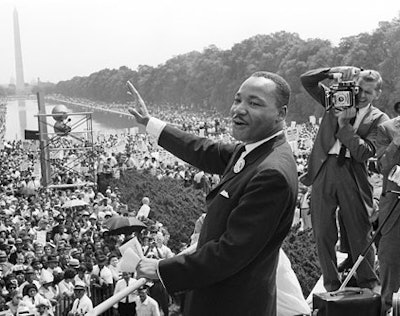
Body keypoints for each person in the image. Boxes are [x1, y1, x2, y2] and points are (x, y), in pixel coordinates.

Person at [128, 70, 298, 316]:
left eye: (254, 103)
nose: (239, 109)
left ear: (281, 114)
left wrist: (162, 269)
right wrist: (150, 123)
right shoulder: (256, 150)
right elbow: (203, 150)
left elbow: (230, 252)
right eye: (238, 99)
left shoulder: (271, 173)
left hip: (234, 304)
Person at [300, 66, 389, 291]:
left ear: (377, 94)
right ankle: (331, 283)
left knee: (360, 231)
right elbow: (307, 81)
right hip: (324, 169)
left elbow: (363, 152)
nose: (360, 95)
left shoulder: (380, 119)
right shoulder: (336, 99)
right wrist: (332, 71)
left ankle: (368, 283)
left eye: (368, 92)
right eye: (358, 89)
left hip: (353, 172)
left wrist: (343, 126)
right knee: (322, 231)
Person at [375, 116, 400, 315]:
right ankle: (387, 307)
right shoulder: (387, 128)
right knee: (390, 259)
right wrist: (397, 142)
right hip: (395, 206)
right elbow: (383, 166)